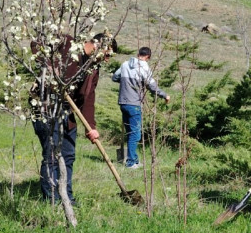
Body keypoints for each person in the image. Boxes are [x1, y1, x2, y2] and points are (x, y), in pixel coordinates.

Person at [31, 33, 115, 206]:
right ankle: (52, 199)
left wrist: (91, 126)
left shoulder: (92, 69)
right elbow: (37, 41)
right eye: (107, 54)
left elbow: (88, 98)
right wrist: (49, 66)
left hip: (66, 110)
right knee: (52, 154)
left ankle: (67, 197)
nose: (107, 60)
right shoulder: (67, 43)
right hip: (46, 106)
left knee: (68, 155)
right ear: (98, 45)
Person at [111, 46, 169, 169]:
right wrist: (164, 95)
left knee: (130, 133)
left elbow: (115, 77)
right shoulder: (144, 67)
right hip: (134, 104)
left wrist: (126, 84)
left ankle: (134, 159)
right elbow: (152, 86)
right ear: (147, 57)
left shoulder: (125, 64)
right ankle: (131, 163)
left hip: (123, 103)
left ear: (138, 54)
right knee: (135, 135)